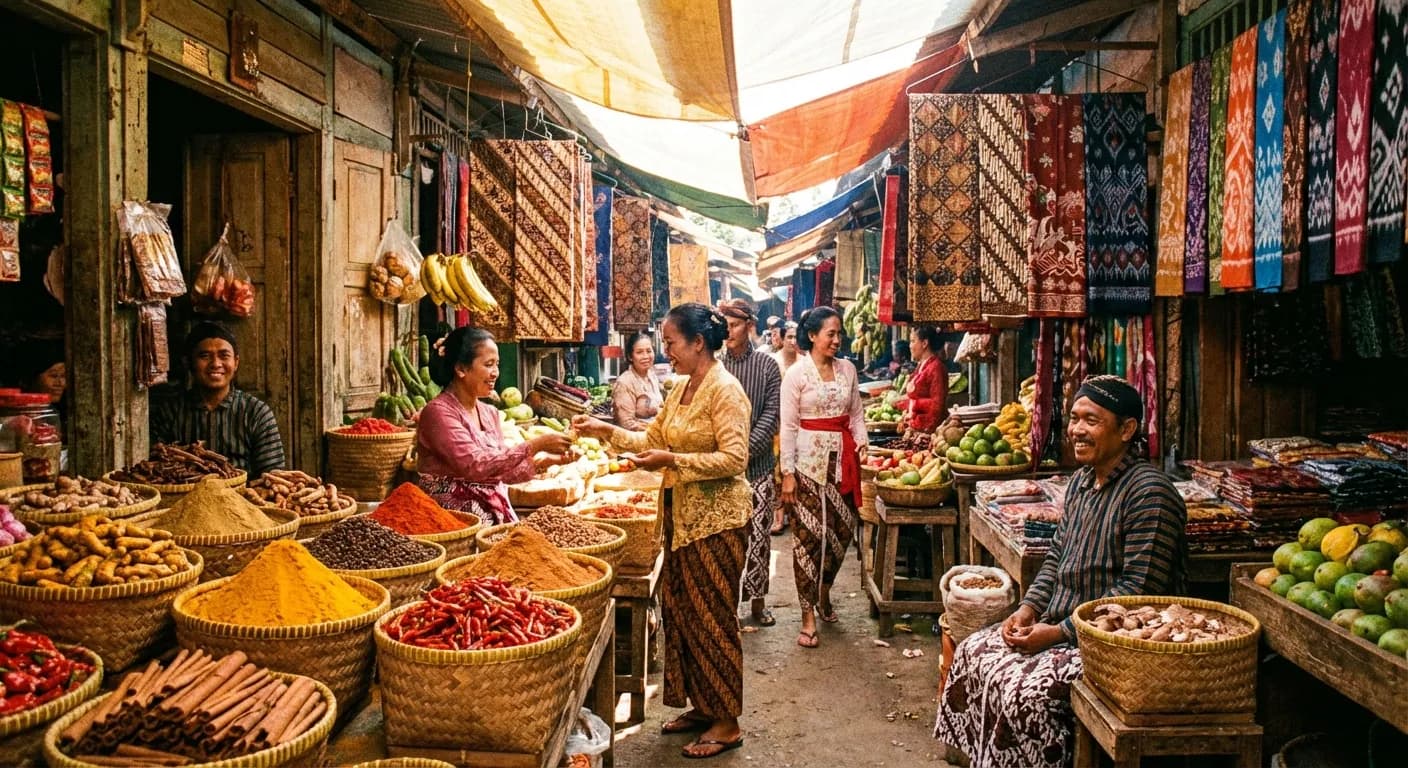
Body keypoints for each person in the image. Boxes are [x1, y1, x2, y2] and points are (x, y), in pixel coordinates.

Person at [934, 375, 1187, 768]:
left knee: (1025, 693)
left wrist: (1060, 633)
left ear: (1127, 430)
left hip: (1111, 646)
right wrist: (1028, 609)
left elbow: (1138, 595)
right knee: (972, 653)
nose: (1077, 431)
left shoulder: (1149, 493)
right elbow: (1056, 556)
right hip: (1058, 627)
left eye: (1091, 420)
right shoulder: (1083, 482)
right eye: (1073, 419)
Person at [573, 303, 751, 760]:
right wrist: (604, 430)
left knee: (712, 616)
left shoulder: (725, 391)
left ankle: (727, 720)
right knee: (683, 612)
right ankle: (703, 704)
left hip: (717, 523)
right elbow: (652, 442)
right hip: (680, 517)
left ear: (698, 343)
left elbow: (735, 461)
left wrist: (675, 462)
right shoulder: (679, 390)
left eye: (671, 343)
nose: (665, 351)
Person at [416, 326, 574, 526]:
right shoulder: (438, 412)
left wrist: (547, 462)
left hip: (492, 513)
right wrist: (536, 445)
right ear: (461, 369)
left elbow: (499, 472)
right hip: (450, 522)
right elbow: (475, 466)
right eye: (489, 364)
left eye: (497, 365)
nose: (496, 373)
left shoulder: (489, 413)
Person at [779, 305, 866, 649]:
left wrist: (862, 446)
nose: (836, 339)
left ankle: (825, 589)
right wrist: (788, 473)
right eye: (830, 333)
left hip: (843, 464)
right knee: (808, 539)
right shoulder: (797, 374)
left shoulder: (848, 369)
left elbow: (856, 414)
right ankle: (807, 614)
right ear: (812, 336)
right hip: (807, 466)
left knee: (841, 536)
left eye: (839, 333)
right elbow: (787, 427)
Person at [150, 322, 285, 478]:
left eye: (224, 356)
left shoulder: (256, 412)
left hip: (243, 498)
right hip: (183, 498)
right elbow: (154, 468)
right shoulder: (170, 411)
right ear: (189, 363)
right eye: (204, 356)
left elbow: (273, 474)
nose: (215, 364)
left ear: (236, 363)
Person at [717, 299, 781, 628]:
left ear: (749, 325)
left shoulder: (768, 367)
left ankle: (757, 603)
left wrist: (740, 453)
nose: (729, 330)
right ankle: (728, 605)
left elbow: (771, 417)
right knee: (728, 541)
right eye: (725, 324)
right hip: (722, 473)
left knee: (758, 539)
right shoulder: (714, 365)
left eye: (735, 323)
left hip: (756, 469)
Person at [895, 326, 947, 433]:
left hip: (928, 431)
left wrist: (914, 404)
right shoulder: (922, 366)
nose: (910, 346)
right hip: (915, 428)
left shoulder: (936, 368)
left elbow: (937, 406)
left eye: (913, 341)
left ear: (924, 343)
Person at [612, 331, 663, 431]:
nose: (645, 356)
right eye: (639, 352)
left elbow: (660, 406)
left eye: (649, 351)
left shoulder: (652, 376)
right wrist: (656, 430)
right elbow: (627, 424)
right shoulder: (624, 383)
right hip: (637, 439)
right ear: (630, 357)